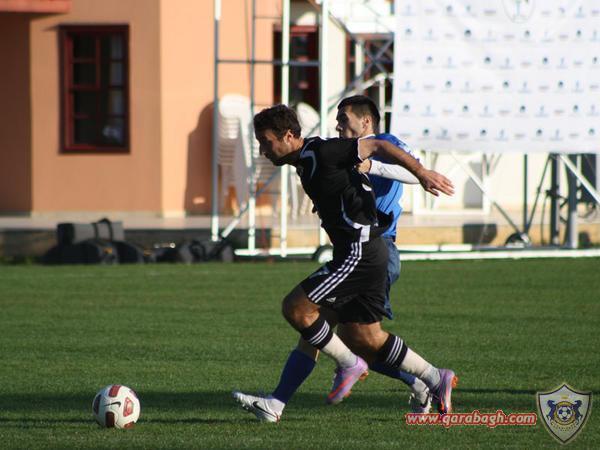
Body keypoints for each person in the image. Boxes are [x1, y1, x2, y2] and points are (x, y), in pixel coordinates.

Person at [233, 104, 457, 423]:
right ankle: (433, 377)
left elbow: (377, 145)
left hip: (360, 252)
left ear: (289, 135)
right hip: (367, 252)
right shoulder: (307, 161)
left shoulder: (322, 151)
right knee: (364, 338)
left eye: (266, 142)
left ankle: (346, 366)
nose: (263, 151)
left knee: (297, 309)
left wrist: (422, 173)